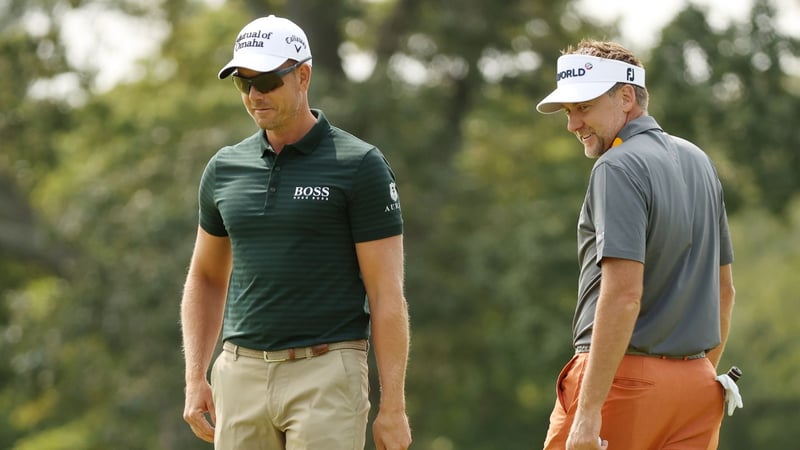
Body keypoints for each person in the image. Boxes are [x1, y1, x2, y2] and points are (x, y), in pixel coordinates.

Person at [180, 15, 412, 450]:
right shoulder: (224, 168)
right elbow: (206, 277)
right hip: (240, 373)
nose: (254, 95)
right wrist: (196, 376)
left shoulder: (359, 164)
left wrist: (393, 407)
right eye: (243, 83)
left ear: (303, 75)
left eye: (266, 80)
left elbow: (386, 294)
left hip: (327, 373)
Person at [535, 39, 740, 450]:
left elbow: (624, 295)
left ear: (626, 97)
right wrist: (695, 375)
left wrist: (589, 412)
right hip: (698, 386)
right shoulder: (699, 160)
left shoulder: (617, 165)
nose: (573, 125)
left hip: (622, 385)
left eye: (584, 108)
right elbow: (725, 291)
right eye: (570, 112)